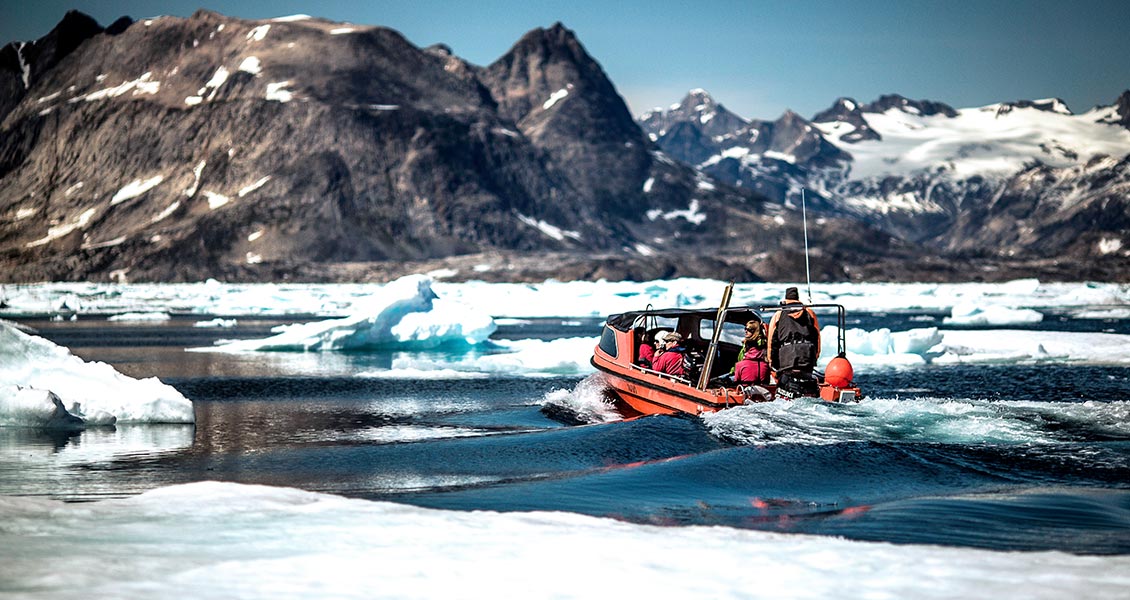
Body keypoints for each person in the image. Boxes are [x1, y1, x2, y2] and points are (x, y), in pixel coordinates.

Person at [767, 287, 821, 396]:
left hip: (786, 358)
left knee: (786, 381)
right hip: (807, 356)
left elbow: (772, 341)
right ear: (797, 298)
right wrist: (814, 356)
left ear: (786, 299)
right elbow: (817, 337)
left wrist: (771, 361)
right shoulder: (809, 313)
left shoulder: (778, 314)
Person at [732, 319, 770, 385]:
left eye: (749, 329)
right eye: (745, 329)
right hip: (759, 385)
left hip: (744, 371)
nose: (746, 331)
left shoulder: (761, 344)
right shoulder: (765, 366)